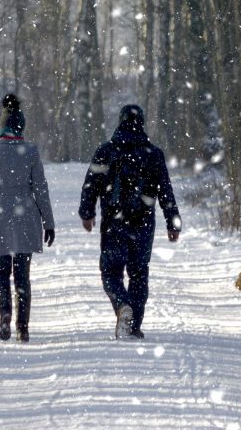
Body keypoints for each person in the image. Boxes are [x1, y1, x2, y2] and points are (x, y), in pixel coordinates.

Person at [79, 104, 181, 339]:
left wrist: (87, 213)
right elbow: (165, 191)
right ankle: (133, 324)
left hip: (114, 223)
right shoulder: (153, 154)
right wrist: (172, 223)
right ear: (142, 123)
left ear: (120, 121)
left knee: (111, 271)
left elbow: (91, 184)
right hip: (143, 223)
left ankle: (122, 305)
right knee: (138, 272)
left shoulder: (106, 151)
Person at [0, 94, 55, 342]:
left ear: (2, 126)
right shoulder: (30, 152)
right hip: (25, 218)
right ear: (21, 126)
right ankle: (23, 327)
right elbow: (40, 188)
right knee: (22, 275)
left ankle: (5, 316)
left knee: (0, 274)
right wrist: (48, 222)